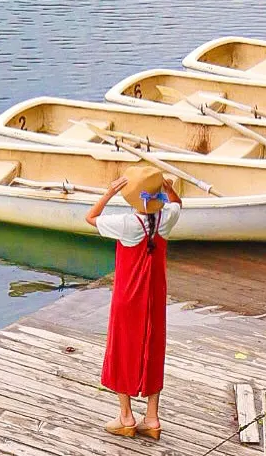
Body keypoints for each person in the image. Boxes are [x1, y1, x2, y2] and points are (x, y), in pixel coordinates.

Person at [86, 164, 182, 440]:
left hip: (128, 297)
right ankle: (152, 418)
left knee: (122, 349)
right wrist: (168, 188)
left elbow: (91, 218)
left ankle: (126, 416)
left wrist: (107, 193)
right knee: (153, 348)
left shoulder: (127, 223)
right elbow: (177, 203)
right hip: (155, 296)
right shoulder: (167, 218)